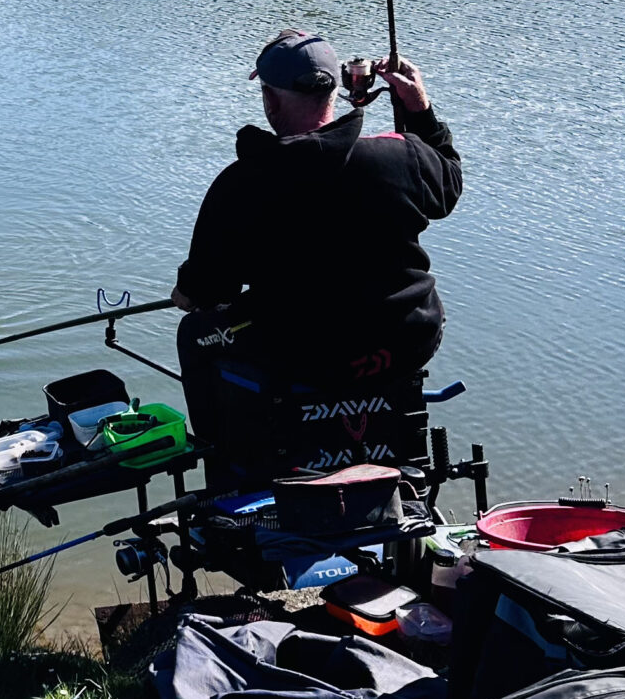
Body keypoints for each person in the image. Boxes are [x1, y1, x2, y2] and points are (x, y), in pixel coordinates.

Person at [172, 29, 463, 418]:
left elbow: (209, 289)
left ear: (271, 99)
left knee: (195, 335)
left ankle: (229, 458)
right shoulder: (400, 155)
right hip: (407, 342)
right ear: (335, 91)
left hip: (311, 360)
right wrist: (419, 109)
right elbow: (449, 182)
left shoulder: (242, 182)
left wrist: (189, 295)